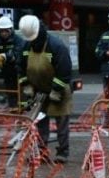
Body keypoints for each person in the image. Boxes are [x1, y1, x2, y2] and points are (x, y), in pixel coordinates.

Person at [17, 15, 73, 164]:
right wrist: (26, 85)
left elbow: (65, 71)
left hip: (58, 91)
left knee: (61, 123)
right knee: (40, 123)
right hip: (38, 91)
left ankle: (63, 153)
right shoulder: (25, 47)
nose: (33, 41)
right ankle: (41, 152)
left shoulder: (56, 46)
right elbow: (20, 67)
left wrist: (56, 89)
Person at [0, 16, 24, 109]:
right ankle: (13, 108)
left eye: (6, 31)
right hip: (6, 70)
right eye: (1, 31)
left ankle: (23, 108)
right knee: (9, 89)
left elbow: (17, 53)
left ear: (11, 30)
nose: (4, 33)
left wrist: (3, 56)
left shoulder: (18, 40)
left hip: (19, 70)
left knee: (21, 90)